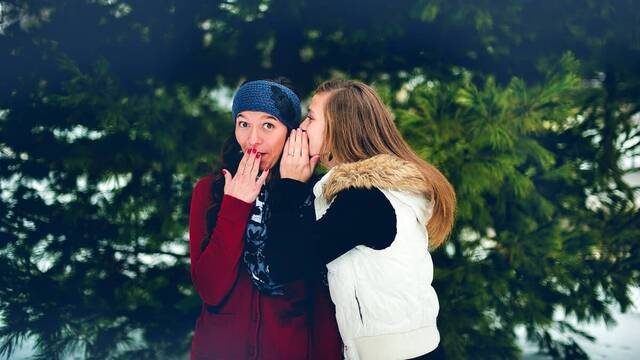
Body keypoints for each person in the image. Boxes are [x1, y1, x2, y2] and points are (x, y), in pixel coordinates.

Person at [266, 80, 456, 359]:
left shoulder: (364, 201)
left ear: (339, 128)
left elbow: (283, 264)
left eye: (311, 117)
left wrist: (290, 185)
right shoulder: (380, 192)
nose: (302, 127)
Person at [188, 78, 342, 359]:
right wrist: (235, 206)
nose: (252, 139)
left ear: (291, 133)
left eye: (268, 125)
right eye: (243, 123)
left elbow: (320, 300)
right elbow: (210, 290)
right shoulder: (209, 191)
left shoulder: (315, 193)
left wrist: (292, 190)